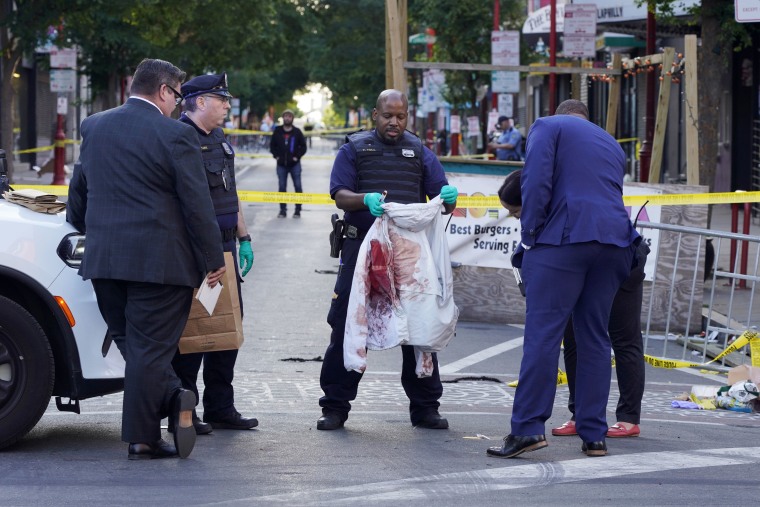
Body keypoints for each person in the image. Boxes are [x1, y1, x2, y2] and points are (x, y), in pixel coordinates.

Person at [66, 58, 226, 460]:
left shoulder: (95, 125)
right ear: (164, 91)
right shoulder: (175, 136)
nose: (178, 103)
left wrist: (91, 229)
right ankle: (143, 437)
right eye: (177, 94)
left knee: (137, 349)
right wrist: (213, 258)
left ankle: (174, 396)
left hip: (105, 262)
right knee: (151, 352)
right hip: (161, 266)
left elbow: (78, 193)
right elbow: (197, 204)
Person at [486, 99, 639, 459]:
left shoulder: (546, 126)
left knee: (543, 336)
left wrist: (530, 235)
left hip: (565, 239)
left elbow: (535, 183)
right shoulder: (611, 142)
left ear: (558, 112)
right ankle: (594, 433)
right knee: (595, 337)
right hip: (616, 242)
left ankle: (526, 429)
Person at [317, 89, 459, 431]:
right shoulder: (354, 149)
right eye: (387, 116)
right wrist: (364, 199)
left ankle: (426, 407)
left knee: (418, 326)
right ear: (374, 115)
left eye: (400, 116)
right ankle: (335, 406)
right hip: (361, 252)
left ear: (407, 116)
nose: (394, 122)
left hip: (408, 256)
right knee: (349, 325)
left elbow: (443, 198)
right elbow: (339, 195)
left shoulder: (420, 152)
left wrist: (450, 199)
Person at [497, 170, 650, 441]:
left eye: (515, 210)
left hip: (616, 261)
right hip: (588, 260)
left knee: (621, 338)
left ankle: (627, 418)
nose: (515, 217)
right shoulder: (557, 202)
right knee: (575, 337)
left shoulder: (569, 198)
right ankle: (583, 417)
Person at [169, 72, 258, 434]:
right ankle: (185, 412)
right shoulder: (179, 138)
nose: (226, 105)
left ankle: (221, 407)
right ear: (200, 102)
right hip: (195, 250)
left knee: (229, 328)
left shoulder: (220, 139)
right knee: (194, 331)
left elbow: (230, 192)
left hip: (226, 246)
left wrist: (245, 235)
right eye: (220, 99)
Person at [270, 109, 307, 218]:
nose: (287, 118)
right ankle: (282, 211)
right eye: (285, 116)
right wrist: (276, 156)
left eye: (289, 116)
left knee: (298, 186)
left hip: (295, 165)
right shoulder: (277, 131)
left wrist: (297, 157)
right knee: (282, 187)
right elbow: (272, 146)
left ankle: (297, 211)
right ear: (283, 118)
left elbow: (303, 146)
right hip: (281, 165)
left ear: (292, 118)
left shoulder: (297, 132)